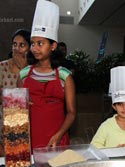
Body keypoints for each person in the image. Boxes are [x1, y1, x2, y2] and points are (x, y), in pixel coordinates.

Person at [18, 0, 75, 149]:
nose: (35, 48)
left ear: (53, 46)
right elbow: (17, 109)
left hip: (57, 139)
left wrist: (59, 135)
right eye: (33, 43)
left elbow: (71, 113)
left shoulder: (64, 76)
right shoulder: (24, 75)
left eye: (40, 43)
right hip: (30, 137)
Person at [0, 29, 30, 145]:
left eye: (22, 45)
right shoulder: (2, 67)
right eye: (14, 44)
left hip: (24, 123)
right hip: (3, 123)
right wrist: (19, 99)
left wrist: (23, 69)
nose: (17, 48)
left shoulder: (32, 70)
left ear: (29, 48)